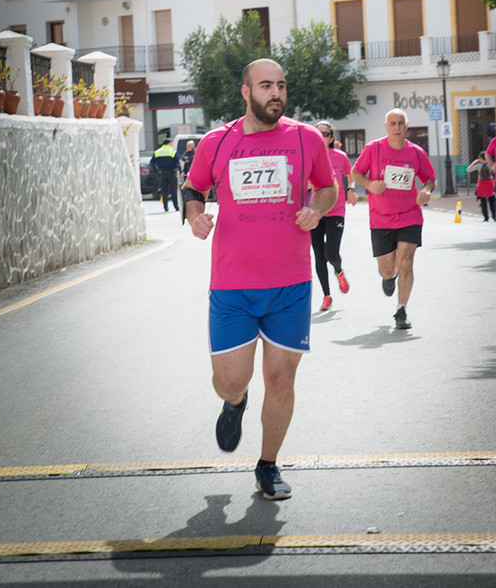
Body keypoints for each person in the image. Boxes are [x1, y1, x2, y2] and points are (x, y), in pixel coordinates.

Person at [182, 59, 337, 501]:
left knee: (281, 380)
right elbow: (194, 188)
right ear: (246, 92)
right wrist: (196, 216)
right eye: (266, 86)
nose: (276, 94)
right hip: (232, 284)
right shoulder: (218, 141)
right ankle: (234, 403)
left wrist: (318, 207)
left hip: (290, 283)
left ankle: (267, 465)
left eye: (281, 86)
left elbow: (326, 186)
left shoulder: (307, 138)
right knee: (232, 380)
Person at [351, 108, 436, 330]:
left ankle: (401, 310)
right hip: (380, 218)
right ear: (386, 126)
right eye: (393, 123)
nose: (397, 128)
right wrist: (369, 184)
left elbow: (429, 179)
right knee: (387, 269)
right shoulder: (374, 148)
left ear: (407, 126)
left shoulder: (417, 153)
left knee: (406, 261)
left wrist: (426, 190)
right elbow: (356, 173)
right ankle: (389, 277)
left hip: (410, 214)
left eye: (401, 123)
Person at [311, 120, 358, 311]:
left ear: (331, 137)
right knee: (318, 256)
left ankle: (338, 271)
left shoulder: (340, 156)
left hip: (336, 210)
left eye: (326, 134)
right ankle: (326, 296)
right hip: (315, 210)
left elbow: (351, 174)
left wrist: (351, 189)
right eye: (318, 133)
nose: (322, 137)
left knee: (330, 252)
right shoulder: (310, 156)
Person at [151, 137, 179, 212]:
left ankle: (165, 207)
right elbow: (177, 162)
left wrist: (157, 170)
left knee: (164, 191)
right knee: (174, 191)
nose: (172, 144)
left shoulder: (157, 151)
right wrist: (179, 170)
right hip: (171, 173)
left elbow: (152, 163)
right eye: (171, 143)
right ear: (169, 143)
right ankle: (176, 206)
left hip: (162, 173)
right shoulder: (172, 151)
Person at [466, 151, 496, 221]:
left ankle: (486, 217)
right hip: (490, 183)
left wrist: (474, 162)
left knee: (483, 202)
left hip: (481, 184)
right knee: (492, 201)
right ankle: (494, 216)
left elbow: (468, 169)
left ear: (480, 158)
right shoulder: (490, 164)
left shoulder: (479, 165)